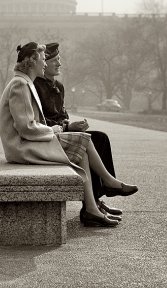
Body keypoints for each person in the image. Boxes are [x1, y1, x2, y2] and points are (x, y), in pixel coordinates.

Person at [0, 42, 138, 228]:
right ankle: (105, 186)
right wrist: (58, 130)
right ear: (32, 61)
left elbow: (31, 126)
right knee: (84, 140)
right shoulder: (20, 85)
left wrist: (59, 129)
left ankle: (92, 208)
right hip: (21, 147)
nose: (45, 64)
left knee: (84, 145)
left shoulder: (24, 83)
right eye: (43, 60)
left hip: (27, 142)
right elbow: (26, 128)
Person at [33, 42, 123, 221]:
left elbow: (62, 114)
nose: (59, 64)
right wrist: (67, 127)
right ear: (44, 63)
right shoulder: (36, 85)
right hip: (51, 136)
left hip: (62, 132)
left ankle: (94, 201)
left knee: (100, 138)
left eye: (59, 59)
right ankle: (96, 200)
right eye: (55, 60)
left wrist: (71, 123)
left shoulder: (59, 86)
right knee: (89, 141)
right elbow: (39, 121)